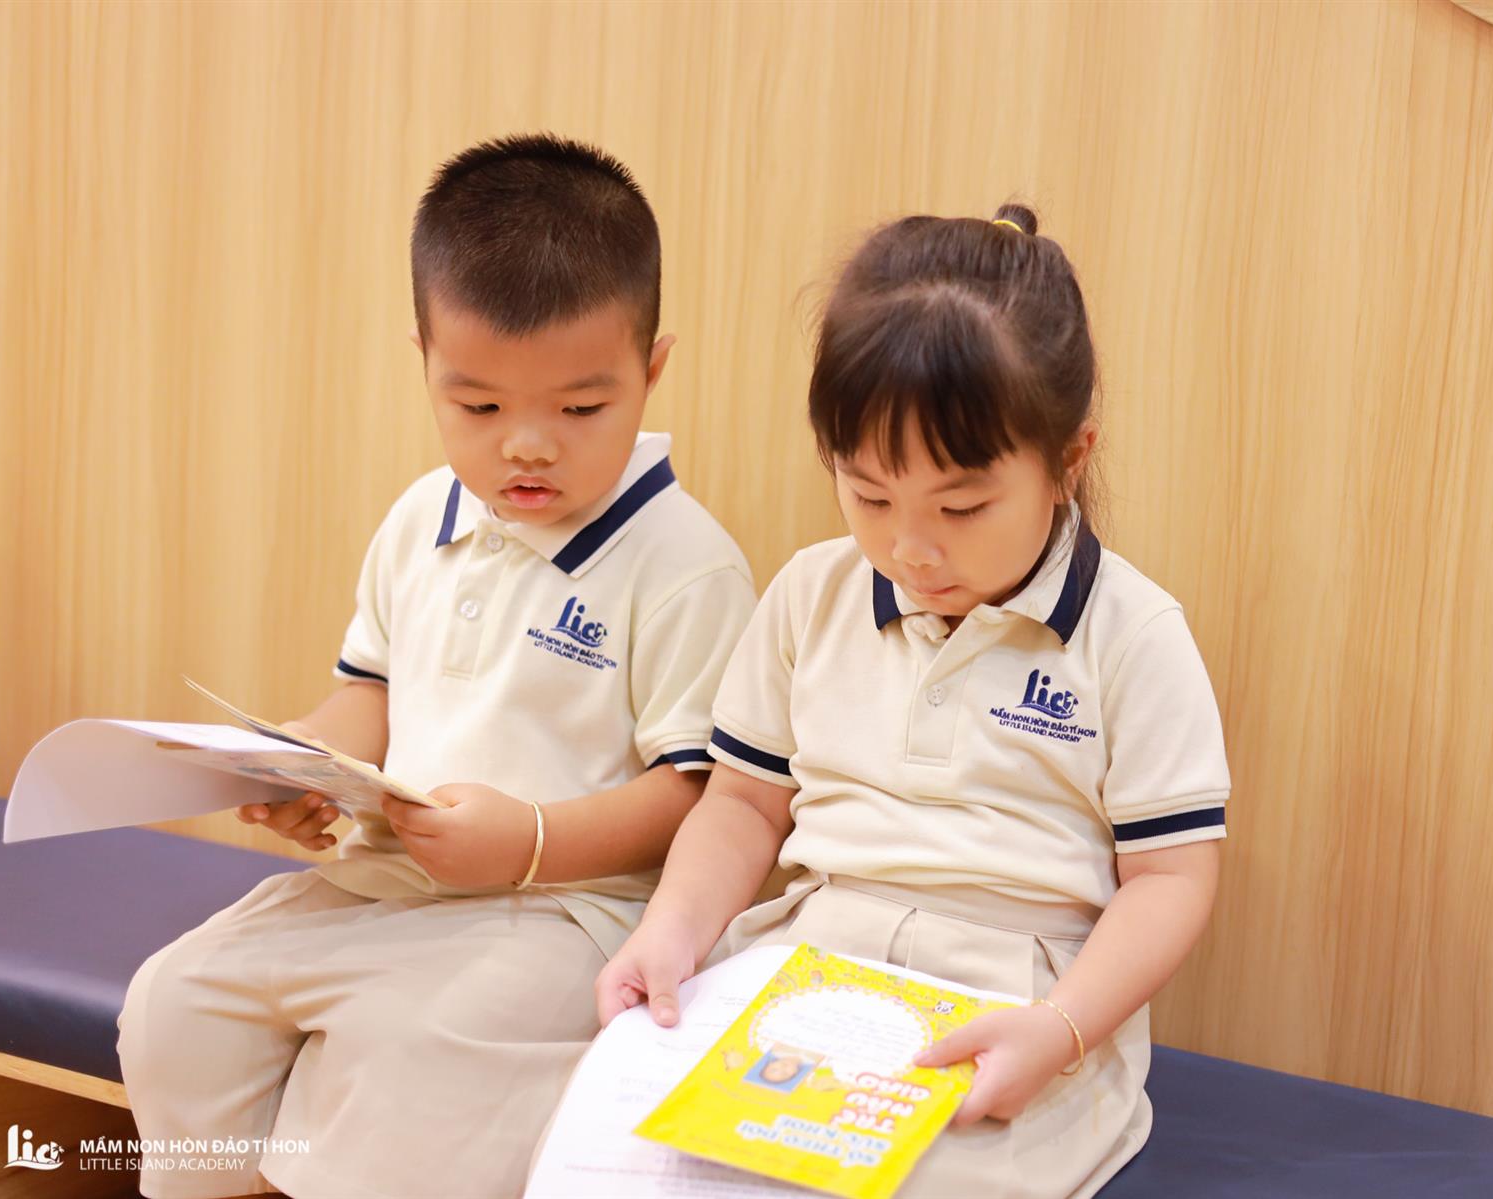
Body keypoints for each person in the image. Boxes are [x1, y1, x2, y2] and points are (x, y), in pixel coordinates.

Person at [118, 134, 755, 1199]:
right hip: (383, 881)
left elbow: (696, 794)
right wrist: (306, 763)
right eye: (481, 406)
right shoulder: (423, 516)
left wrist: (530, 838)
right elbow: (370, 690)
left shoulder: (688, 566)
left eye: (580, 408)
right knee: (174, 1002)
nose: (528, 445)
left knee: (417, 1050)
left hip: (572, 911)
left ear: (651, 369)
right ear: (425, 361)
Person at [595, 203, 1231, 1198]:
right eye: (869, 495)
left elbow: (1170, 879)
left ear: (1068, 460)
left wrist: (1060, 1027)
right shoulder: (811, 593)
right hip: (810, 963)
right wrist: (671, 932)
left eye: (962, 506)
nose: (911, 548)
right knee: (632, 1158)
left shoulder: (1133, 634)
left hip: (1021, 1006)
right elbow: (744, 804)